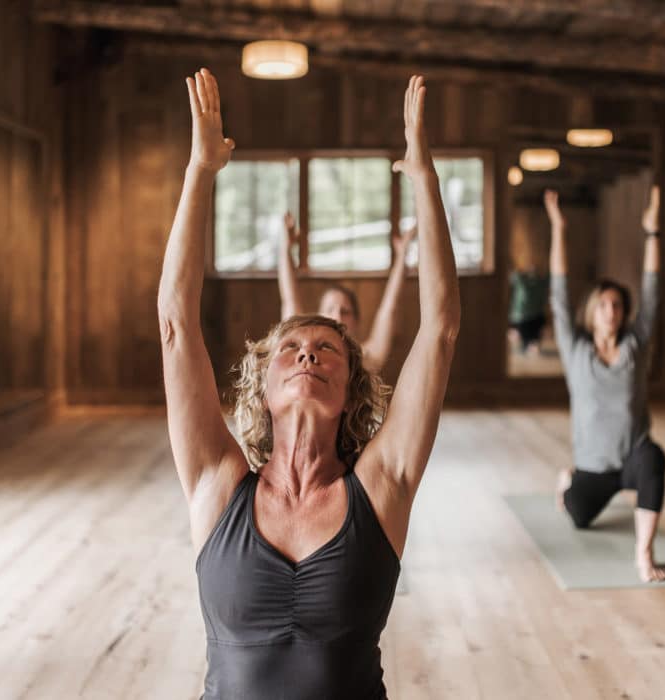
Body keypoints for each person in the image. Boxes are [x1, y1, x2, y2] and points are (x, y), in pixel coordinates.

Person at [157, 68, 459, 698]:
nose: (306, 355)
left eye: (326, 350)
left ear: (350, 390)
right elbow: (177, 325)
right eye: (290, 348)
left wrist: (426, 180)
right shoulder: (218, 485)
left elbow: (441, 329)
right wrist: (199, 172)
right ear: (263, 388)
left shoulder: (382, 487)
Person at [546, 186, 665, 583]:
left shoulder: (635, 346)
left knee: (654, 458)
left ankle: (643, 554)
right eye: (603, 304)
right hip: (593, 468)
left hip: (630, 459)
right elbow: (559, 293)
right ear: (591, 312)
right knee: (578, 516)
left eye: (617, 305)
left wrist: (653, 233)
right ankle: (568, 482)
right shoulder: (576, 350)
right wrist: (559, 229)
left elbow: (652, 291)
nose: (611, 311)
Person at [279, 214, 417, 374]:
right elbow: (289, 299)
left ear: (356, 321)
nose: (338, 315)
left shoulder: (366, 358)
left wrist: (402, 256)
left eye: (345, 311)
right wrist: (286, 248)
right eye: (330, 309)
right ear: (318, 317)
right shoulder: (303, 352)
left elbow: (390, 309)